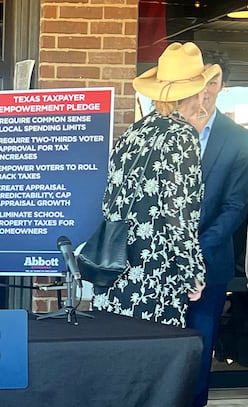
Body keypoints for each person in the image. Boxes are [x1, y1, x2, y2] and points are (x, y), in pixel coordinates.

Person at [91, 42, 213, 327]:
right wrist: (192, 271)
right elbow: (178, 211)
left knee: (117, 342)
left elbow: (110, 199)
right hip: (155, 269)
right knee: (156, 347)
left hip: (116, 261)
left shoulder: (134, 131)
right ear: (197, 92)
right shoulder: (182, 135)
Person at [178, 49, 248, 407]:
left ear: (223, 86)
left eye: (214, 82)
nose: (205, 90)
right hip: (158, 261)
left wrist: (194, 250)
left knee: (201, 343)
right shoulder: (165, 130)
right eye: (199, 80)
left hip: (209, 259)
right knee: (160, 340)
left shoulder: (238, 139)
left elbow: (235, 207)